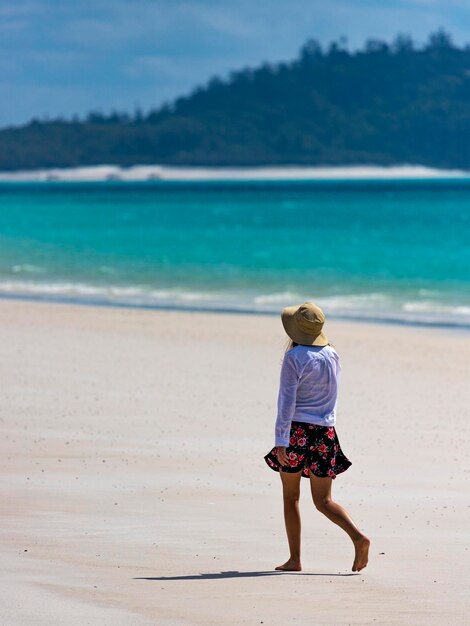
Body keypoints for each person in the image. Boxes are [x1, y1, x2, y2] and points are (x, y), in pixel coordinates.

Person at [264, 302, 370, 573]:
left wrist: (280, 439)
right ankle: (358, 537)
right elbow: (332, 396)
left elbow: (286, 401)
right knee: (323, 501)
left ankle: (294, 560)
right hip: (325, 432)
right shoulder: (333, 354)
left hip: (297, 432)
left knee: (291, 497)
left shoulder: (295, 357)